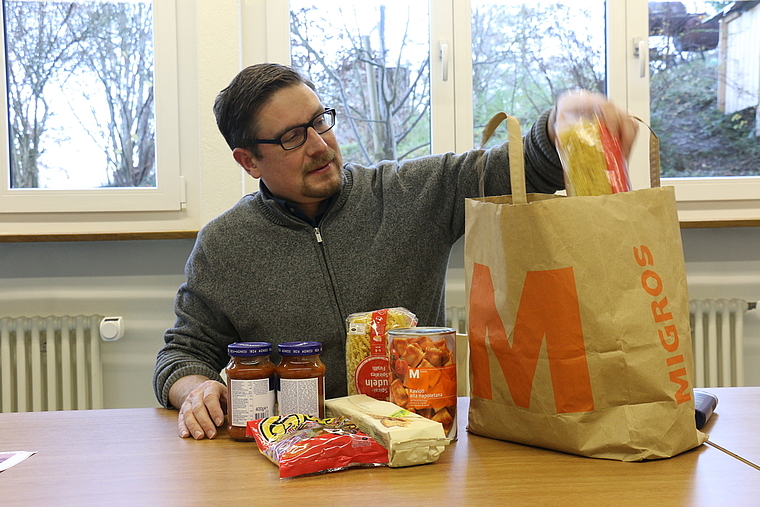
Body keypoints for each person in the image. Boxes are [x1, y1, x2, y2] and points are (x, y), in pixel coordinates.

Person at [153, 63, 638, 440]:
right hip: (295, 453)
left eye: (319, 122)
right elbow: (183, 353)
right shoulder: (225, 244)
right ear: (249, 161)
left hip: (418, 448)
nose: (320, 145)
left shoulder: (407, 193)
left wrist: (564, 123)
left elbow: (516, 169)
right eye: (291, 138)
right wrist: (196, 390)